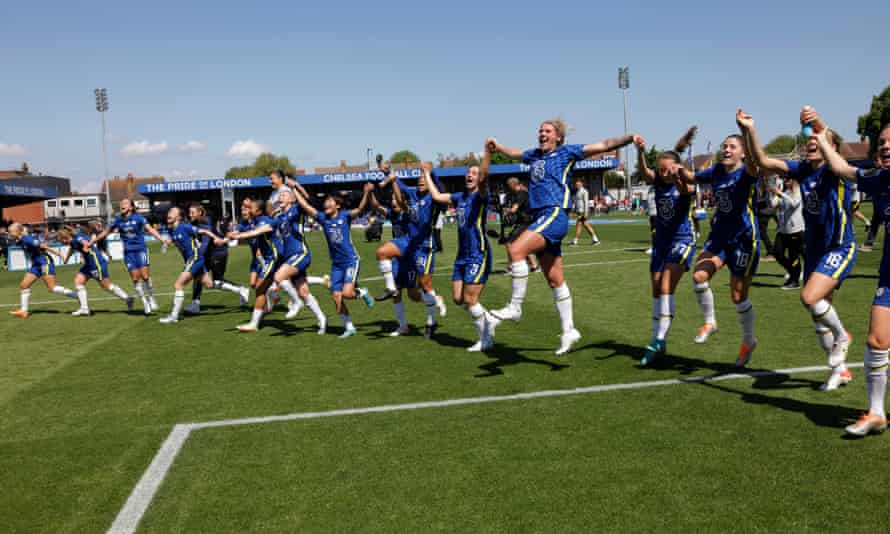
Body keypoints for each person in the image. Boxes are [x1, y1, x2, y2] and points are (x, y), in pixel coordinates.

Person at [485, 119, 637, 355]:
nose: (541, 134)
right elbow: (515, 154)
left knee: (515, 250)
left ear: (558, 137)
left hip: (554, 213)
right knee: (555, 279)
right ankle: (569, 330)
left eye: (547, 131)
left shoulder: (567, 153)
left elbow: (605, 144)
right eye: (540, 130)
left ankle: (515, 308)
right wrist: (499, 146)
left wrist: (628, 139)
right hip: (541, 217)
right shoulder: (534, 155)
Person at [739, 107, 856, 389]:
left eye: (817, 142)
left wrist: (817, 123)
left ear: (831, 147)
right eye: (809, 143)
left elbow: (826, 138)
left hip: (838, 247)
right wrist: (751, 130)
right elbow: (765, 161)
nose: (810, 145)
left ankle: (843, 336)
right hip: (814, 250)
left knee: (809, 297)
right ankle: (839, 370)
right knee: (820, 312)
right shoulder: (803, 171)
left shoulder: (836, 169)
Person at [813, 121, 890, 435]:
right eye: (882, 142)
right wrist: (821, 135)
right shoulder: (880, 179)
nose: (885, 146)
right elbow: (844, 169)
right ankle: (876, 413)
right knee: (876, 340)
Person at [676, 128, 760, 367]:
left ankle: (748, 341)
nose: (726, 149)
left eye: (733, 146)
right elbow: (692, 178)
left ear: (743, 153)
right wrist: (678, 168)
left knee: (737, 296)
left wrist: (747, 131)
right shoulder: (716, 171)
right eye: (724, 146)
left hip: (744, 239)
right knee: (699, 276)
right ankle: (710, 322)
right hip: (719, 237)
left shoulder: (748, 172)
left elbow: (756, 163)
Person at [634, 129, 697, 365]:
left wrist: (679, 175)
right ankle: (657, 339)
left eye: (666, 168)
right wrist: (640, 152)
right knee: (656, 289)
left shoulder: (687, 185)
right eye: (660, 168)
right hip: (660, 242)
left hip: (682, 240)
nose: (662, 172)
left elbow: (684, 190)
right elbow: (643, 171)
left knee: (666, 284)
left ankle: (659, 339)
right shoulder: (659, 182)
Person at [423, 147, 493, 351]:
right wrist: (427, 173)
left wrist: (486, 156)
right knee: (457, 299)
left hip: (478, 253)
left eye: (474, 173)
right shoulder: (459, 197)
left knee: (471, 299)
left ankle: (485, 339)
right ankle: (485, 317)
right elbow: (436, 196)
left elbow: (485, 178)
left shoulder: (480, 196)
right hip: (462, 255)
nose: (469, 175)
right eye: (468, 173)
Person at [228, 190, 327, 333]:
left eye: (284, 195)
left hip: (300, 253)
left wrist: (296, 188)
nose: (280, 197)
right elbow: (260, 230)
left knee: (278, 277)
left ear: (292, 200)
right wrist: (237, 235)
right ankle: (322, 319)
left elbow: (306, 201)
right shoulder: (278, 218)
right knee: (303, 291)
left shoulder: (296, 210)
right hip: (288, 258)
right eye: (280, 196)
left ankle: (296, 302)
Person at [373, 162, 448, 338]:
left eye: (424, 179)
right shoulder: (413, 194)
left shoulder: (435, 199)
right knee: (381, 252)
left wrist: (431, 172)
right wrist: (388, 172)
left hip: (424, 246)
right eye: (419, 179)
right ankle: (391, 288)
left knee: (425, 286)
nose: (421, 180)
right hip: (408, 241)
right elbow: (398, 183)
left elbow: (437, 187)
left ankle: (431, 322)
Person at [291, 183, 376, 338]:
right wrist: (294, 190)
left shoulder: (345, 216)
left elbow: (360, 209)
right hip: (336, 265)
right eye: (326, 202)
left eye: (330, 201)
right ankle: (349, 327)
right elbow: (306, 207)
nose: (326, 204)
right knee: (337, 298)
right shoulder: (323, 219)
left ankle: (361, 292)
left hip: (351, 260)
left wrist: (366, 193)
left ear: (338, 205)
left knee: (347, 293)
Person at [90, 198, 165, 315]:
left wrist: (161, 239)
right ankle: (145, 302)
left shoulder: (138, 218)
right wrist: (92, 242)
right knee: (135, 279)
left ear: (131, 207)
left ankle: (151, 297)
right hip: (128, 253)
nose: (122, 205)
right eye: (121, 203)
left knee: (145, 276)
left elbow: (149, 229)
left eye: (125, 203)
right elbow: (105, 232)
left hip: (141, 250)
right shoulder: (118, 220)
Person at [367, 191, 418, 336]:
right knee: (396, 294)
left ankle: (434, 299)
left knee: (413, 296)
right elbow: (376, 206)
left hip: (409, 254)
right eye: (392, 199)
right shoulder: (392, 214)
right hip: (396, 254)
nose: (393, 202)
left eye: (396, 199)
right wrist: (370, 192)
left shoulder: (410, 212)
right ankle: (403, 326)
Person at [184, 204, 249, 314]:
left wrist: (196, 256)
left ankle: (240, 289)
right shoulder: (195, 223)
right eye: (189, 212)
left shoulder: (206, 224)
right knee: (198, 276)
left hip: (218, 253)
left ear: (199, 213)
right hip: (209, 254)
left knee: (217, 280)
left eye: (192, 212)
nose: (190, 215)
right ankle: (195, 304)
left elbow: (205, 243)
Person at [7, 223, 79, 317]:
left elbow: (43, 246)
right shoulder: (20, 240)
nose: (9, 234)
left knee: (52, 288)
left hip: (45, 262)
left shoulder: (28, 239)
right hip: (36, 265)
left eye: (11, 232)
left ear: (17, 231)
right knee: (24, 285)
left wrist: (59, 254)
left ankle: (77, 296)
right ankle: (24, 311)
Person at [57, 227, 134, 315]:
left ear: (64, 238)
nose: (60, 241)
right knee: (78, 282)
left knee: (106, 286)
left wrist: (85, 247)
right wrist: (66, 259)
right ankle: (84, 309)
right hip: (88, 265)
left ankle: (127, 298)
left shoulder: (77, 238)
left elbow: (85, 242)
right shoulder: (72, 242)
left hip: (96, 264)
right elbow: (72, 249)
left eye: (60, 239)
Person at [768, 176, 805, 290]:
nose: (785, 181)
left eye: (787, 180)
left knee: (793, 256)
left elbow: (794, 203)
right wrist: (772, 194)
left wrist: (780, 193)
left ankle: (794, 281)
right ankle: (793, 274)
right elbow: (774, 205)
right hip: (783, 229)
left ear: (793, 180)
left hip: (796, 230)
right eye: (784, 179)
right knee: (777, 253)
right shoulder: (786, 191)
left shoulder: (799, 191)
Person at [501, 178, 539, 273]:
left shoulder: (521, 194)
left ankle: (511, 267)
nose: (508, 188)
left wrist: (506, 211)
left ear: (513, 185)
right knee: (522, 245)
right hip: (525, 221)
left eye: (508, 186)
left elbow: (514, 209)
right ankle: (534, 266)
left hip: (525, 222)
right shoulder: (523, 193)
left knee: (509, 242)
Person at [569, 179, 600, 246]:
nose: (577, 185)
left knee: (579, 225)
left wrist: (586, 212)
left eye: (578, 184)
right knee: (586, 225)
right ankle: (595, 240)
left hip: (582, 211)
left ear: (581, 184)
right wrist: (574, 211)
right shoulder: (577, 191)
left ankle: (575, 241)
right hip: (579, 211)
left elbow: (586, 202)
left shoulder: (584, 191)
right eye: (576, 184)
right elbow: (576, 202)